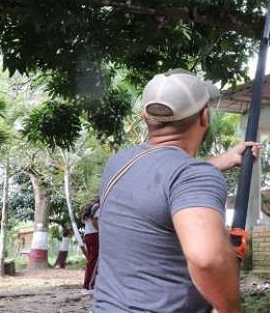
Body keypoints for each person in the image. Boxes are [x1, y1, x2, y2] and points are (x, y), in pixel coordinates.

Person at [93, 69, 259, 313]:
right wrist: (230, 309)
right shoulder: (192, 176)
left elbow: (161, 182)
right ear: (204, 117)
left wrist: (224, 160)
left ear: (145, 116)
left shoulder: (119, 163)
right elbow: (207, 259)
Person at [81, 196, 100, 291]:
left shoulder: (91, 208)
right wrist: (101, 231)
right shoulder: (98, 206)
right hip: (95, 235)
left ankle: (90, 284)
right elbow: (95, 220)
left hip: (88, 235)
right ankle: (89, 286)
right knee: (94, 261)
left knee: (91, 261)